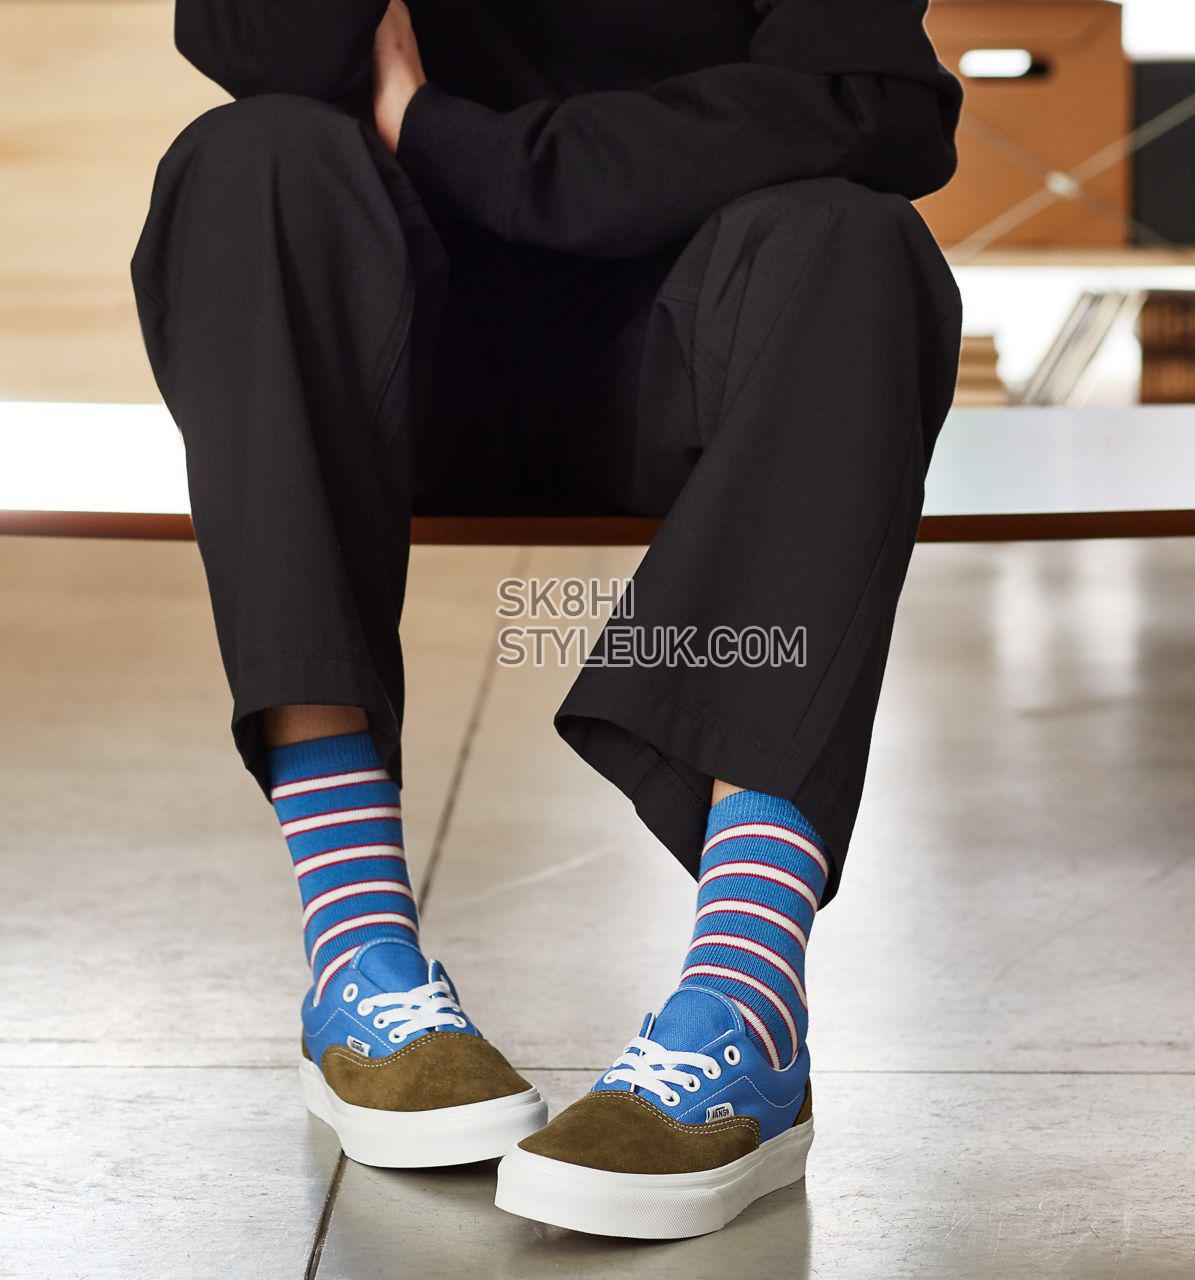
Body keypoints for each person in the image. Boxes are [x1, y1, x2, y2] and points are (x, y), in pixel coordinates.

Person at [131, 0, 962, 1240]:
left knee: (855, 243)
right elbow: (254, 40)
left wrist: (468, 144)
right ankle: (357, 947)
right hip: (393, 337)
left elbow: (874, 104)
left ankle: (746, 997)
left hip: (679, 341)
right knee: (251, 158)